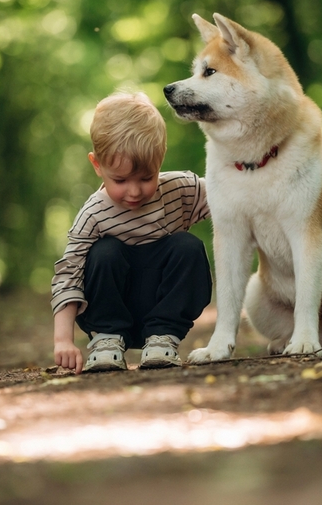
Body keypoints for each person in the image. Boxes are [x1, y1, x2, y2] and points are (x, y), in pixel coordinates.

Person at [51, 91, 212, 373]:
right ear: (97, 166)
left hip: (163, 306)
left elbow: (232, 196)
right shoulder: (93, 214)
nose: (135, 191)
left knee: (187, 246)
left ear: (160, 160)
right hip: (110, 306)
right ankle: (107, 340)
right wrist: (62, 340)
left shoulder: (181, 190)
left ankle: (163, 337)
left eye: (146, 178)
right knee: (105, 252)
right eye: (121, 180)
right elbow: (68, 275)